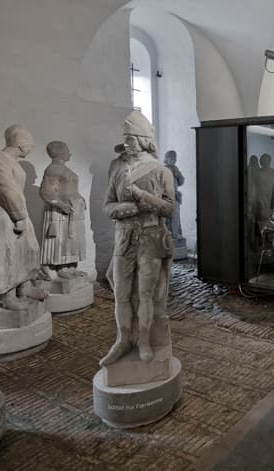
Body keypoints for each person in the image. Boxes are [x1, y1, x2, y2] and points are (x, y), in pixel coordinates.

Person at [101, 110, 175, 365]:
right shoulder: (116, 166)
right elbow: (107, 205)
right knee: (121, 293)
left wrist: (142, 196)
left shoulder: (160, 170)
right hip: (124, 236)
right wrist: (127, 208)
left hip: (151, 238)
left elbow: (169, 208)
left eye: (130, 138)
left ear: (143, 139)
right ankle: (123, 339)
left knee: (146, 294)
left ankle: (144, 340)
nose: (126, 143)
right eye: (125, 137)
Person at [0, 125, 48, 310]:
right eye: (30, 145)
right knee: (4, 254)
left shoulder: (12, 161)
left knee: (25, 250)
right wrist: (20, 217)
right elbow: (7, 190)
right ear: (22, 145)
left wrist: (20, 214)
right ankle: (5, 296)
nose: (31, 149)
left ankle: (24, 287)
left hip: (14, 209)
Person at [39, 141, 87, 278]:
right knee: (62, 238)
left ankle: (70, 266)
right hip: (61, 211)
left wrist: (79, 198)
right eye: (67, 150)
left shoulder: (60, 168)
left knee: (72, 239)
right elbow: (45, 192)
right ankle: (61, 267)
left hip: (73, 209)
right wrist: (60, 205)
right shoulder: (53, 169)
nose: (69, 153)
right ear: (60, 152)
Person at [163, 150, 185, 239]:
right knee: (165, 217)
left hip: (175, 196)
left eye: (174, 158)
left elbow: (181, 182)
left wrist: (178, 174)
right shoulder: (163, 169)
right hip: (165, 196)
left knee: (176, 215)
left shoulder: (176, 169)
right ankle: (166, 233)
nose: (173, 160)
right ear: (166, 159)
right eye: (170, 158)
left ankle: (175, 233)